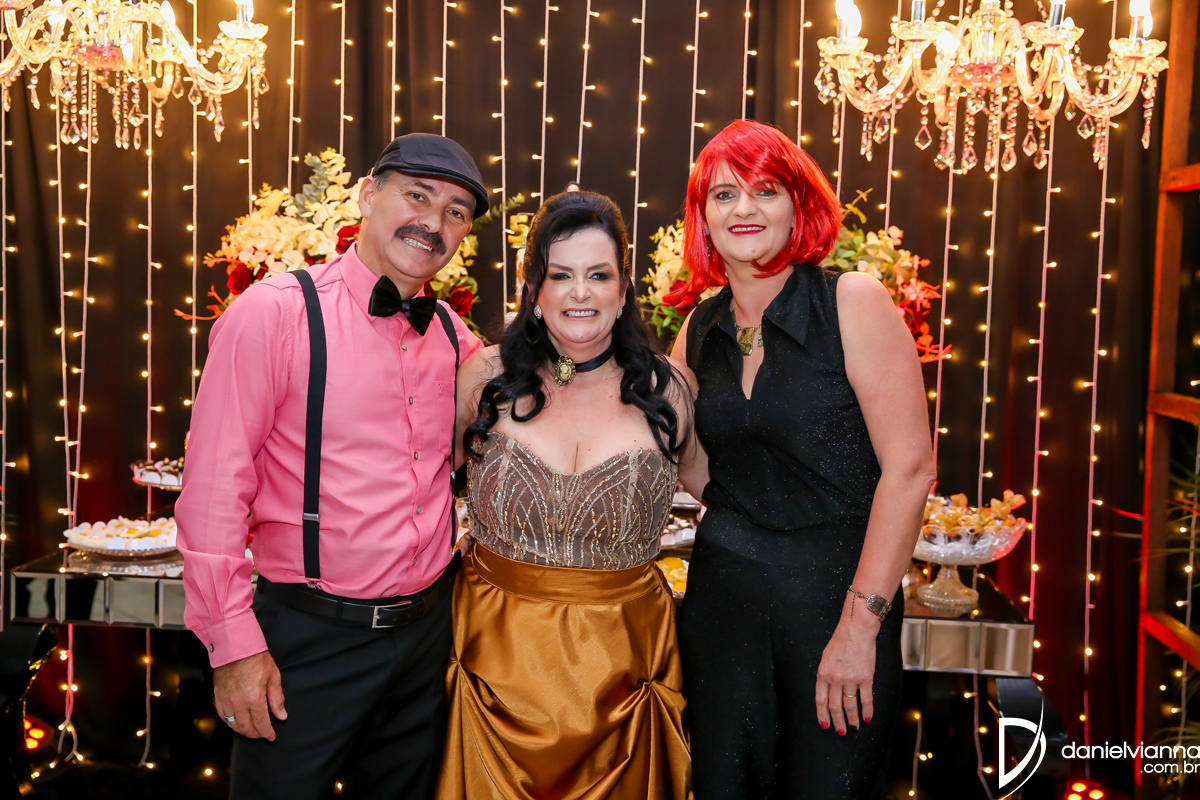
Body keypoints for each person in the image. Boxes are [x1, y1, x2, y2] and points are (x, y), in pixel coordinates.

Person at [176, 133, 489, 800]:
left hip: (427, 639)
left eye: (456, 212)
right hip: (308, 639)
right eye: (418, 196)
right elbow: (212, 492)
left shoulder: (455, 338)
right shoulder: (273, 314)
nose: (433, 222)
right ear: (368, 196)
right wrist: (233, 645)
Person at [669, 119, 936, 798]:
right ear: (703, 217)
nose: (745, 208)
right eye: (724, 195)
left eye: (765, 190)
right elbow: (699, 470)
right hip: (723, 605)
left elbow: (910, 470)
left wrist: (860, 624)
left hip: (837, 604)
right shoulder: (697, 328)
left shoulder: (852, 301)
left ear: (799, 206)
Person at [438, 190, 704, 800]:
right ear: (534, 289)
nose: (580, 292)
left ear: (623, 289)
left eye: (598, 275)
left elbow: (734, 499)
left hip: (626, 671)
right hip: (491, 660)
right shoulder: (483, 377)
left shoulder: (670, 389)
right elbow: (416, 485)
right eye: (560, 275)